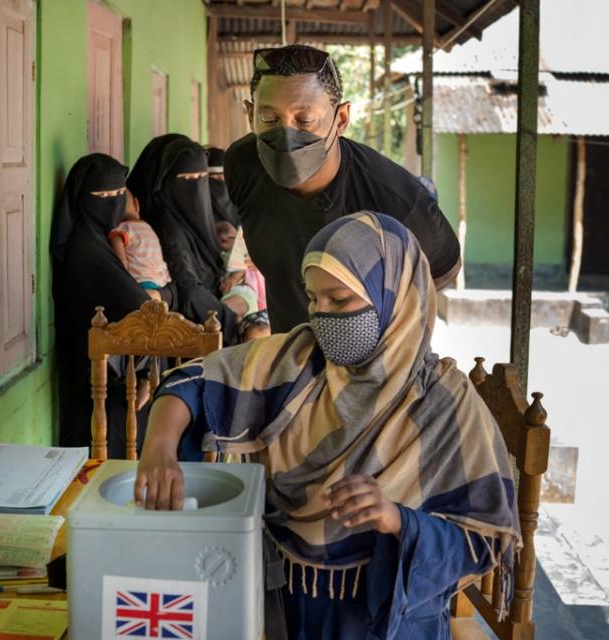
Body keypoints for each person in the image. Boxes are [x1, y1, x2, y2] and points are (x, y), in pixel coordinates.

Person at [135, 212, 521, 639]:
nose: (321, 315)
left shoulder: (443, 401)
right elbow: (191, 383)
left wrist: (397, 520)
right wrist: (159, 449)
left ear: (392, 299)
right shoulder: (297, 361)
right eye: (313, 299)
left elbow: (482, 540)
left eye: (339, 301)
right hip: (286, 607)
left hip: (391, 620)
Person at [225, 44, 463, 333]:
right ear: (250, 115)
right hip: (289, 358)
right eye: (269, 120)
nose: (286, 134)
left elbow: (442, 268)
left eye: (305, 120)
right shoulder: (243, 166)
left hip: (372, 366)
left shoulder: (396, 202)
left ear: (341, 119)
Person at [50, 153, 154, 457]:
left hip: (111, 368)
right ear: (84, 200)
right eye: (103, 196)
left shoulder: (98, 236)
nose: (112, 202)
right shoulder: (86, 248)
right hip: (100, 376)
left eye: (118, 194)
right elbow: (135, 304)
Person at [127, 135, 241, 345]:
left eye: (200, 178)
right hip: (189, 331)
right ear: (166, 181)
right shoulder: (166, 225)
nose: (195, 187)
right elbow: (188, 289)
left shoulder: (190, 220)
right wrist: (231, 320)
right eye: (186, 179)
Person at [108, 190, 171, 301]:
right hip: (161, 282)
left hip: (141, 283)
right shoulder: (148, 228)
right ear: (136, 204)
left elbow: (121, 262)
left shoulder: (120, 231)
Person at [207, 146, 240, 226]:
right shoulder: (201, 208)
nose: (222, 180)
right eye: (216, 177)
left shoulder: (238, 202)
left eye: (224, 177)